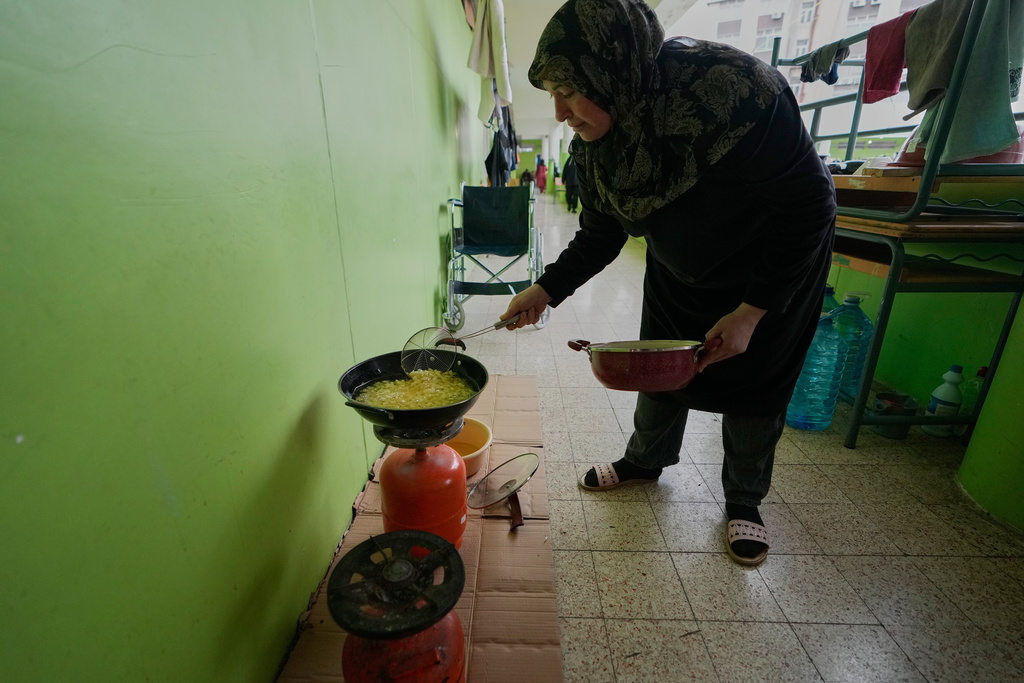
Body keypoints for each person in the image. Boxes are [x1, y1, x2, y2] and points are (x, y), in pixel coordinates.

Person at [499, 0, 836, 567]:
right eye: (550, 94)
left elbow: (811, 207)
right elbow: (600, 233)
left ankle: (744, 502)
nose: (558, 112)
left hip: (771, 271)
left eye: (568, 89)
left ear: (612, 69)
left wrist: (752, 311)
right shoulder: (597, 146)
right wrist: (545, 290)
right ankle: (644, 461)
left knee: (754, 385)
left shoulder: (734, 94)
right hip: (680, 270)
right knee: (658, 367)